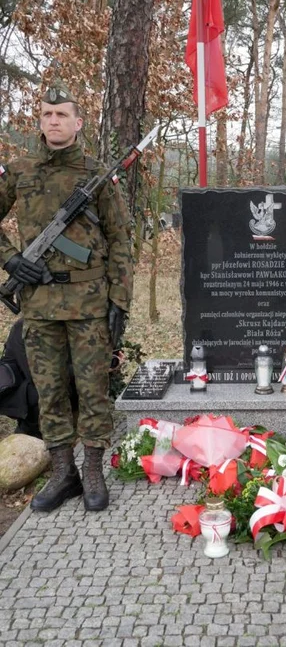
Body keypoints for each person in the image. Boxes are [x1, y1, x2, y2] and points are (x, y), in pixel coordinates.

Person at [0, 81, 133, 512]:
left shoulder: (95, 176)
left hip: (90, 304)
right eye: (46, 115)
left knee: (94, 391)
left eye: (62, 115)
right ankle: (64, 474)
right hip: (39, 305)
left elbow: (120, 240)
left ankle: (93, 471)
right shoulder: (19, 171)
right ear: (39, 122)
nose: (53, 121)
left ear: (78, 123)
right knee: (50, 392)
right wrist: (12, 261)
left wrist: (120, 301)